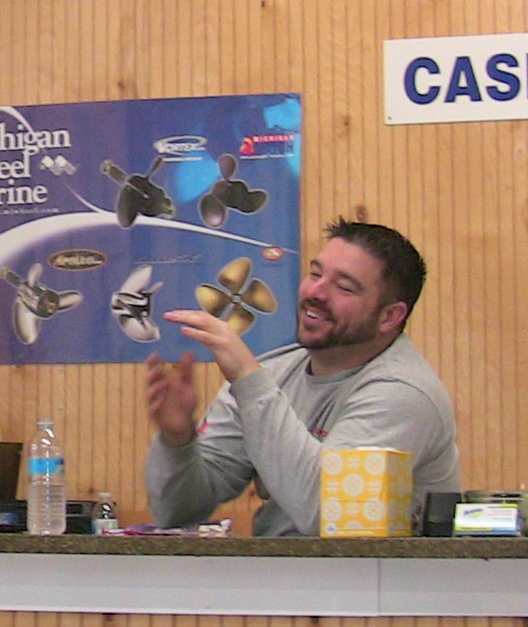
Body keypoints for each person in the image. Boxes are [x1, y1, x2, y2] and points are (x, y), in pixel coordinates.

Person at [144, 217, 460, 537]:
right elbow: (176, 512)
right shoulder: (271, 375)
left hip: (364, 569)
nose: (316, 292)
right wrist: (178, 442)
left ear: (389, 316)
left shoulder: (403, 393)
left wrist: (248, 379)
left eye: (344, 287)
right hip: (276, 566)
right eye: (315, 274)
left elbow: (332, 517)